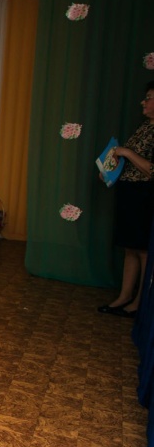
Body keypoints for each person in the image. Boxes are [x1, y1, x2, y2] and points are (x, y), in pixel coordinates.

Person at [99, 81, 154, 318]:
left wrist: (128, 153)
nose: (143, 102)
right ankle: (124, 296)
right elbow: (126, 163)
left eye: (149, 97)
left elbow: (150, 169)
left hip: (145, 195)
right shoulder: (144, 127)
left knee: (143, 250)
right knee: (130, 248)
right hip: (129, 192)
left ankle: (139, 302)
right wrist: (108, 171)